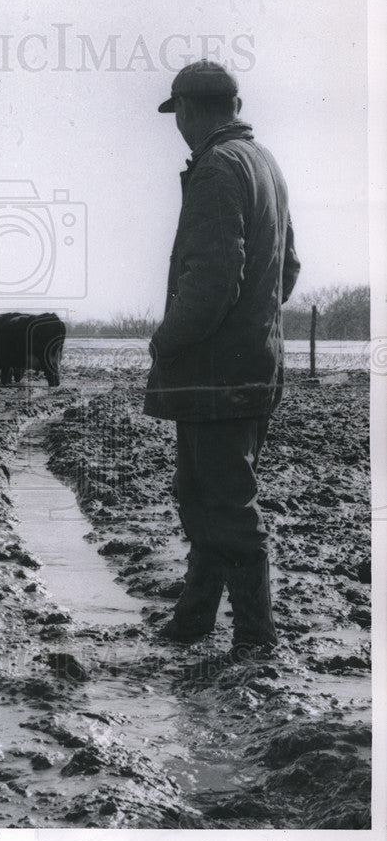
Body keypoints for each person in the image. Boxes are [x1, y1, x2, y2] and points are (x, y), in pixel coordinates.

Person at [144, 59, 300, 653]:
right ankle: (193, 619)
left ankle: (257, 642)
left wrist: (168, 339)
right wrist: (254, 325)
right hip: (252, 367)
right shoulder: (265, 164)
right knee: (201, 491)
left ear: (187, 110)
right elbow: (286, 269)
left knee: (225, 502)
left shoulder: (216, 168)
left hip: (215, 376)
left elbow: (211, 280)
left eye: (176, 114)